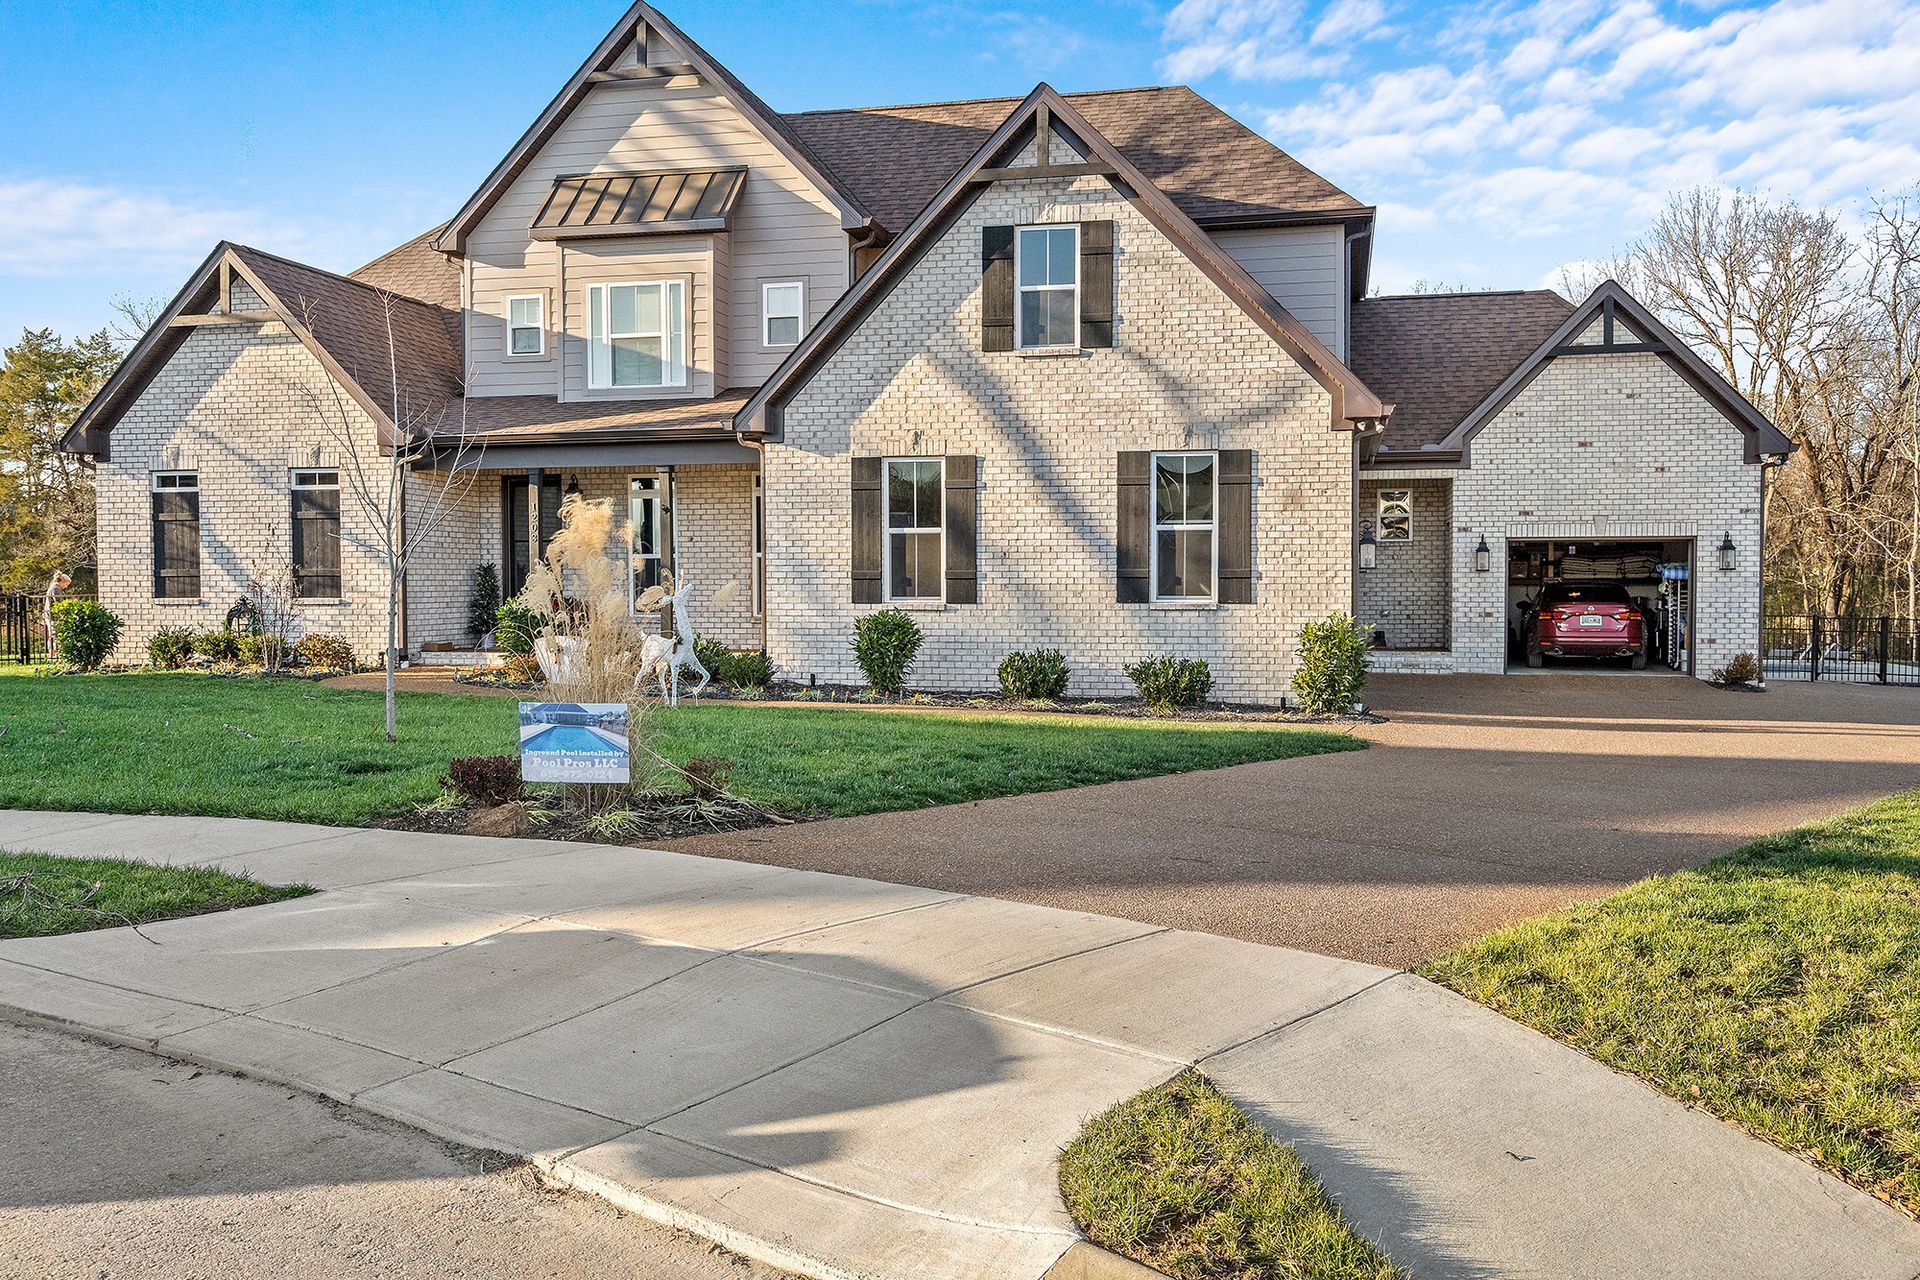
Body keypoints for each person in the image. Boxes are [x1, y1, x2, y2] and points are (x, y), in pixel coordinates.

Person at [41, 571, 71, 660]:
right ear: (63, 581)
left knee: (54, 634)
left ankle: (54, 655)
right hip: (52, 616)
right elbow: (58, 602)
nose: (67, 586)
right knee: (54, 634)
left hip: (51, 615)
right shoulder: (55, 588)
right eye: (67, 584)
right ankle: (53, 655)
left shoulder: (55, 588)